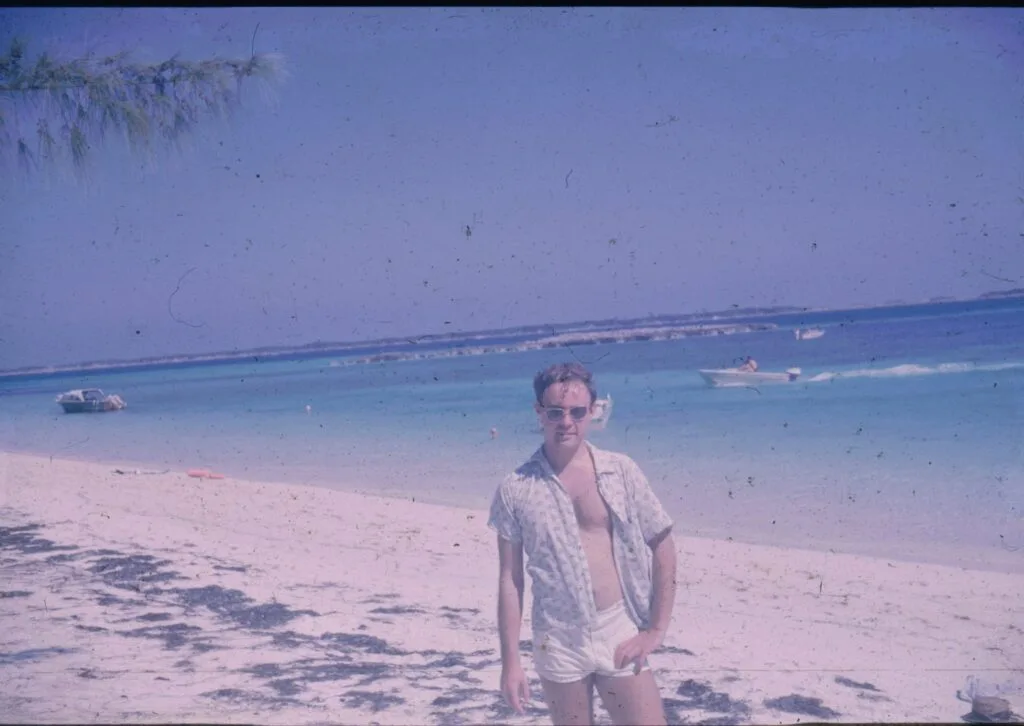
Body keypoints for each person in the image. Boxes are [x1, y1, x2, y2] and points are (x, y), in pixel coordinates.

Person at [488, 361, 677, 725]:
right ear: (539, 412)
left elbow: (664, 543)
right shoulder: (516, 487)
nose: (567, 422)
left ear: (593, 411)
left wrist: (655, 630)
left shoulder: (620, 470)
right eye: (555, 412)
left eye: (577, 412)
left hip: (618, 627)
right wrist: (510, 663)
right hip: (558, 640)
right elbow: (510, 580)